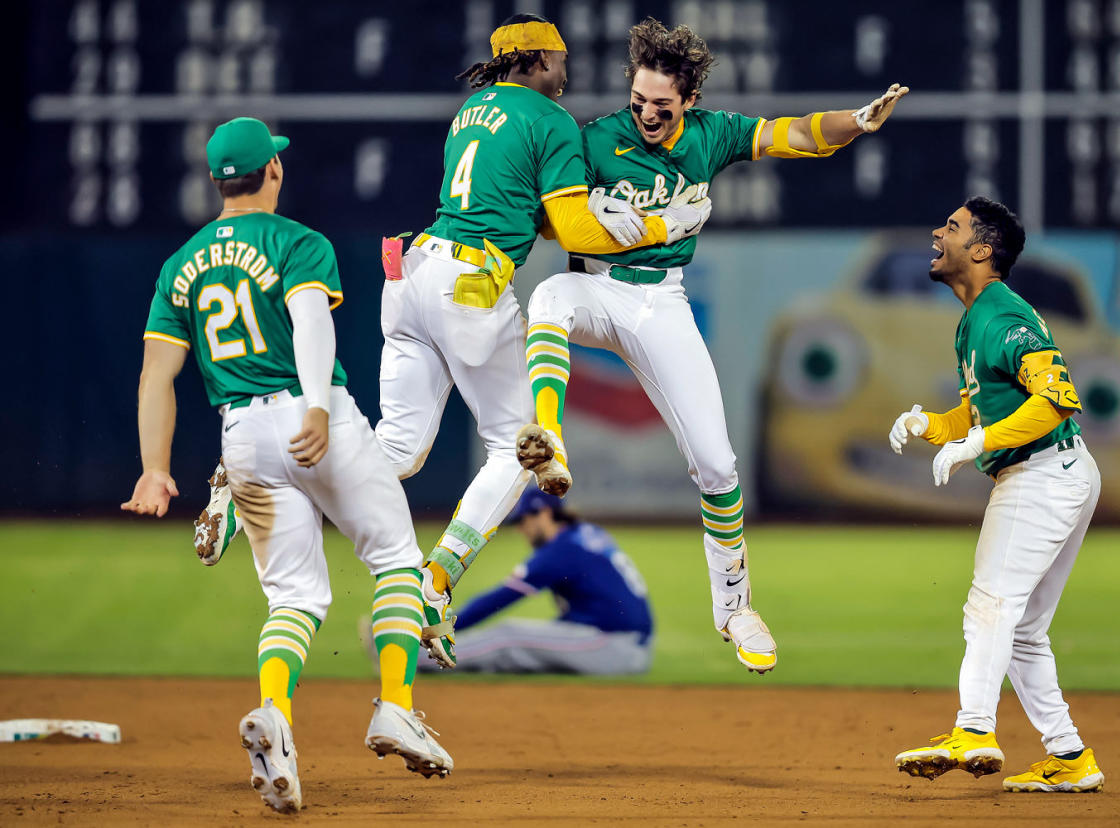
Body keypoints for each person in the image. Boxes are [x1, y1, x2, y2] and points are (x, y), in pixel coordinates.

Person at [192, 14, 711, 673]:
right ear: (533, 61)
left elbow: (539, 216)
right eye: (558, 58)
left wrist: (588, 216)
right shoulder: (549, 121)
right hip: (471, 284)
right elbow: (574, 232)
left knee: (397, 453)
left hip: (411, 273)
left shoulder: (474, 110)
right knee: (518, 450)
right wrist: (664, 221)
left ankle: (245, 480)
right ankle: (437, 581)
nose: (567, 69)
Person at [514, 17, 908, 674]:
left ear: (688, 100)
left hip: (661, 301)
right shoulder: (594, 140)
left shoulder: (712, 134)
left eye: (661, 105)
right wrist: (596, 221)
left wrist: (859, 121)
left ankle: (735, 607)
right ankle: (549, 437)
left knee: (718, 466)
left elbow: (800, 134)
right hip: (598, 288)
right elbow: (549, 223)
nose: (645, 113)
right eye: (638, 100)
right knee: (549, 298)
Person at [122, 117, 452, 814]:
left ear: (217, 182)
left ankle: (275, 712)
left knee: (295, 598)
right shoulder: (299, 241)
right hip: (313, 416)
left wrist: (154, 468)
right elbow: (310, 320)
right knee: (396, 560)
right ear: (271, 172)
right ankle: (395, 705)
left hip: (240, 433)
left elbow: (157, 377)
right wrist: (315, 407)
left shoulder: (180, 264)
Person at [888, 197, 1105, 793]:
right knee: (1026, 631)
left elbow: (1056, 399)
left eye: (952, 227)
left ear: (982, 250)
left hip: (1040, 474)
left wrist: (979, 440)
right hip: (1059, 470)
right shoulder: (975, 317)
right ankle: (1069, 756)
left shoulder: (1002, 316)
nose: (938, 231)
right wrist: (932, 426)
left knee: (989, 607)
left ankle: (975, 727)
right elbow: (979, 406)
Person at [415, 488, 653, 674]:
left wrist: (440, 629)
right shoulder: (585, 533)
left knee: (509, 634)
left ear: (544, 514)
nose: (522, 530)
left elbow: (498, 599)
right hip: (628, 643)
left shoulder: (560, 550)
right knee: (526, 645)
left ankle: (418, 660)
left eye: (524, 521)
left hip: (613, 645)